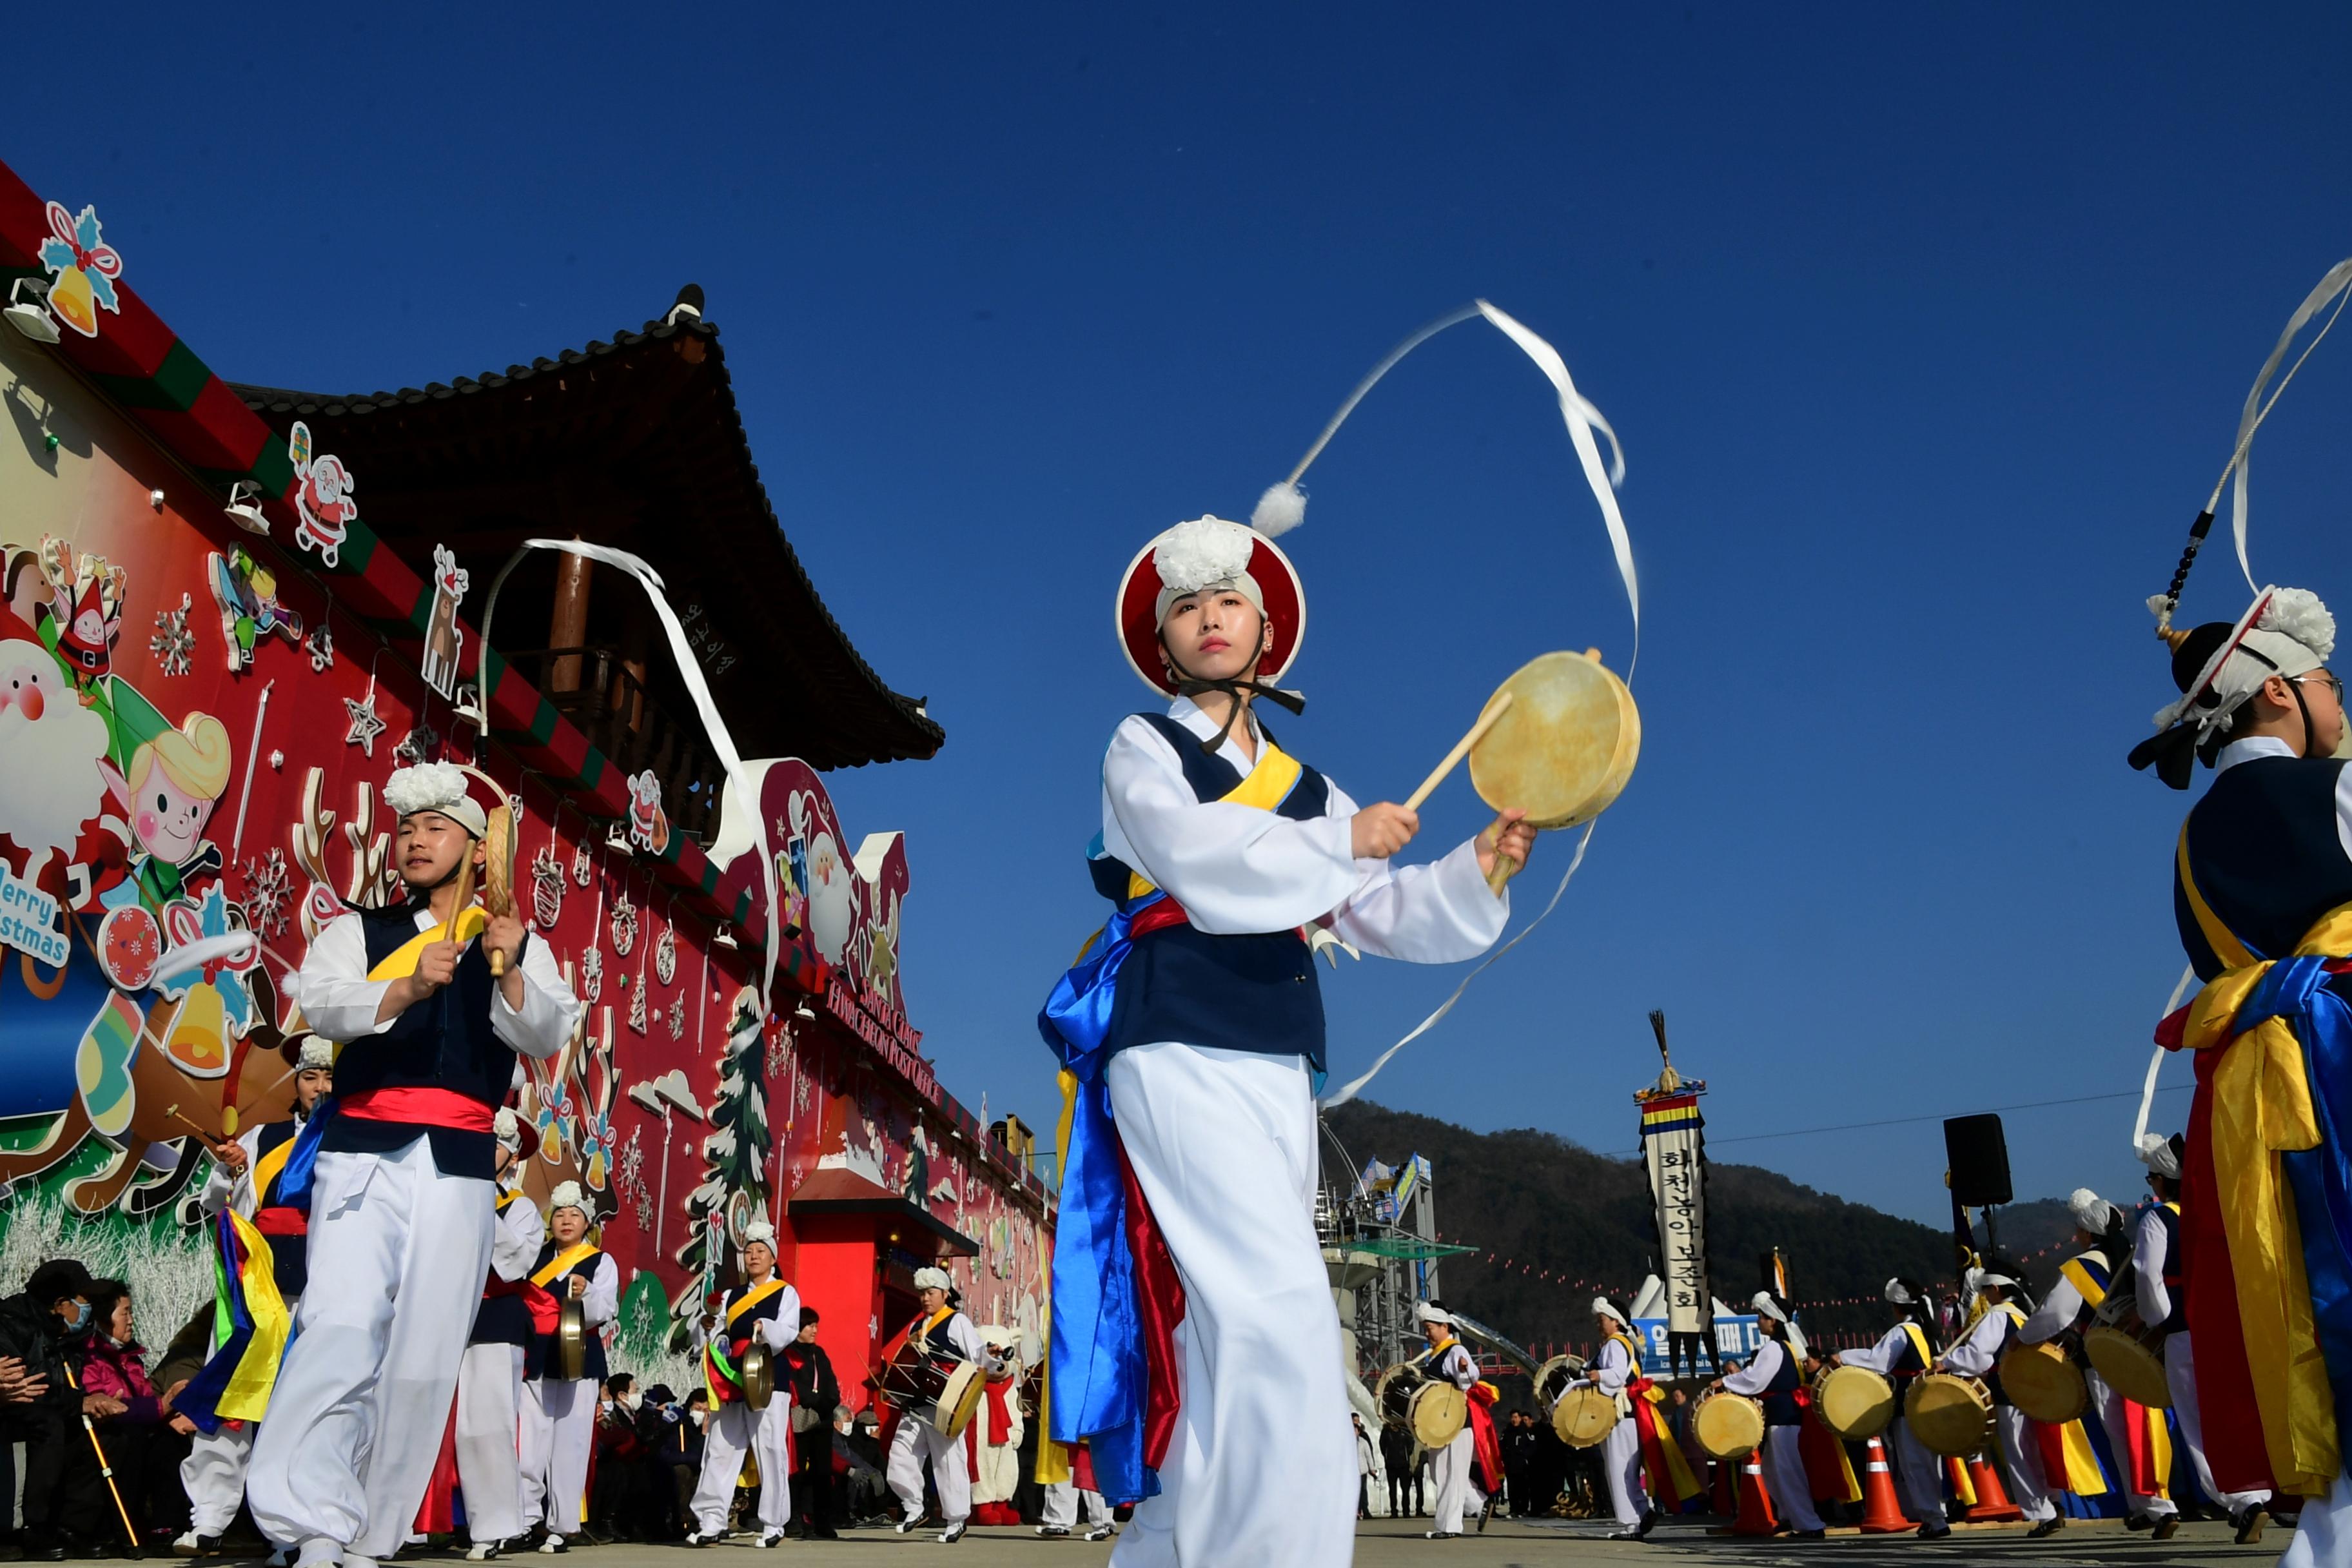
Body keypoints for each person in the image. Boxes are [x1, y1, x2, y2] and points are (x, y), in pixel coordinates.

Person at [1037, 511, 1529, 1568]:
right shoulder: (1144, 744)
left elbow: (1379, 908)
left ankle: (1170, 1545)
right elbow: (1195, 851)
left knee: (1218, 1328)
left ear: (1263, 633)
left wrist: (1476, 869)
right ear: (1160, 640)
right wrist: (1337, 842)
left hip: (1277, 1054)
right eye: (1187, 605)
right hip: (1172, 1033)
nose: (1208, 617)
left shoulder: (1308, 785)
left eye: (1228, 602)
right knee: (1276, 1309)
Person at [249, 761, 580, 1568]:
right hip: (363, 1153)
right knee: (342, 1323)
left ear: (475, 845)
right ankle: (310, 1519)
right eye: (406, 829)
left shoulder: (513, 941)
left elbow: (544, 1034)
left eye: (436, 828)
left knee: (427, 1351)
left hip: (462, 1167)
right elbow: (317, 999)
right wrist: (399, 988)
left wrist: (507, 967)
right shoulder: (362, 930)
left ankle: (373, 1531)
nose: (415, 841)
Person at [2133, 583, 2350, 1558]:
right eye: (2326, 683)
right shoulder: (2333, 792)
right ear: (2276, 696)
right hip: (2336, 1061)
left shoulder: (2190, 842)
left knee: (2307, 1305)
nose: (2340, 703)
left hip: (2255, 1096)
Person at [176, 1034, 333, 1557]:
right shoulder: (263, 1138)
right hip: (257, 1288)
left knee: (306, 1407)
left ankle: (293, 1528)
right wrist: (230, 1168)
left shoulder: (350, 1142)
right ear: (296, 1083)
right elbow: (220, 1204)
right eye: (311, 1077)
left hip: (323, 1287)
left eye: (330, 1077)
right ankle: (209, 1520)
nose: (320, 1087)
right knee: (233, 1398)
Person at [2129, 1130, 2270, 1542]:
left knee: (2196, 1420)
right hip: (2228, 1325)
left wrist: (2156, 1316)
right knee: (2235, 1411)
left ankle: (2244, 1502)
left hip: (2185, 1331)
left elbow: (2147, 1274)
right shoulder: (2217, 1207)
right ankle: (2260, 1489)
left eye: (2151, 1179)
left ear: (2160, 1180)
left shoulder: (2159, 1218)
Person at [2012, 1188, 2152, 1528]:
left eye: (2078, 1230)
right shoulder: (2129, 1255)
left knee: (2119, 1430)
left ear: (2088, 1234)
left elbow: (2055, 1314)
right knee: (2148, 1425)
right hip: (2142, 1349)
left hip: (2103, 1355)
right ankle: (2161, 1498)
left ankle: (2145, 1506)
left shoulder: (2083, 1266)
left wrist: (2022, 1339)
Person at [456, 1109, 545, 1561]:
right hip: (443, 1315)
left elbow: (517, 1262)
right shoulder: (448, 1191)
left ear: (510, 1159)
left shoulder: (520, 1207)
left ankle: (490, 1526)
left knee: (484, 1424)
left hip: (493, 1318)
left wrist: (479, 1200)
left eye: (492, 1145)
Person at [685, 1220, 799, 1547]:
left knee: (769, 1447)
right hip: (732, 1374)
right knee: (720, 1447)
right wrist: (706, 1327)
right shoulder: (732, 1295)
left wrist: (766, 1328)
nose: (753, 1256)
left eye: (760, 1251)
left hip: (766, 1373)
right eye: (749, 1251)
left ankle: (774, 1523)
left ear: (773, 1258)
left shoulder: (784, 1292)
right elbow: (715, 1331)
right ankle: (711, 1520)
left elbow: (788, 1331)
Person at [518, 1182, 618, 1553]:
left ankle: (561, 1524)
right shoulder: (534, 1257)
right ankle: (526, 1518)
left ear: (587, 1223)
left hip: (579, 1355)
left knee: (570, 1444)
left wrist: (586, 1292)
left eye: (574, 1215)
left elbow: (606, 1308)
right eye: (559, 1214)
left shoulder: (599, 1261)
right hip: (538, 1354)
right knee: (529, 1442)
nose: (566, 1221)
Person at [1936, 1270, 2061, 1538]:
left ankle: (2043, 1513)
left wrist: (1946, 1363)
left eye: (1985, 1291)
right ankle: (2053, 1501)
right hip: (2032, 1389)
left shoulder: (1997, 1315)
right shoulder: (2023, 1314)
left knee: (2019, 1452)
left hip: (2008, 1390)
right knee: (2035, 1449)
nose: (1983, 1297)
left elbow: (1978, 1357)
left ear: (1995, 1289)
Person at [0, 1260, 104, 1562]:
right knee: (48, 1425)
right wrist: (77, 1402)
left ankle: (75, 1528)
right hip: (20, 1412)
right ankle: (35, 1527)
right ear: (60, 1304)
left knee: (103, 1429)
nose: (89, 1312)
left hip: (54, 1406)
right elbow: (26, 1388)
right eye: (84, 1304)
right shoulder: (11, 1324)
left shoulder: (68, 1334)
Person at [1829, 1279, 1948, 1538]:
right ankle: (1937, 1514)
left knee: (1915, 1463)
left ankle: (1934, 1519)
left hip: (1908, 1403)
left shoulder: (1902, 1331)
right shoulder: (1926, 1332)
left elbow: (1879, 1361)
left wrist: (1844, 1357)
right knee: (1930, 1462)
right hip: (1929, 1401)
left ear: (1896, 1307)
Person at [886, 1267, 996, 1544]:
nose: (925, 1298)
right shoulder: (915, 1326)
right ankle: (914, 1507)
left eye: (931, 1293)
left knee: (948, 1460)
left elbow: (977, 1355)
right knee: (900, 1454)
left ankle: (956, 1519)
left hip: (946, 1400)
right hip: (916, 1400)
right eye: (922, 1293)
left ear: (945, 1294)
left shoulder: (957, 1321)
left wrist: (991, 1356)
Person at [71, 1280, 175, 1546]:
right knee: (132, 1438)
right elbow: (109, 1405)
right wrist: (162, 1406)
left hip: (137, 1429)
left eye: (131, 1313)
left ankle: (164, 1525)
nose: (130, 1321)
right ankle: (121, 1527)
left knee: (169, 1441)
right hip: (105, 1434)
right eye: (124, 1313)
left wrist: (168, 1412)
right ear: (106, 1318)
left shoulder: (130, 1356)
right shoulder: (91, 1356)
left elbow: (144, 1397)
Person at [1714, 1293, 1823, 1539]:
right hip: (1783, 1412)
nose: (1758, 1321)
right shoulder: (1785, 1346)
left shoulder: (1774, 1347)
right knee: (1773, 1470)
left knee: (1788, 1470)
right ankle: (1787, 1515)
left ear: (1773, 1321)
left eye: (1761, 1317)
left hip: (1783, 1414)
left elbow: (1755, 1379)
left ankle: (1809, 1524)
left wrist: (1726, 1381)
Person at [1416, 1304, 1489, 1540]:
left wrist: (1465, 1369)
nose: (1427, 1333)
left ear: (1444, 1326)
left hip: (1457, 1422)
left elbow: (1470, 1379)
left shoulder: (1455, 1351)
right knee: (1440, 1473)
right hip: (1440, 1424)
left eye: (1430, 1328)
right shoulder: (1436, 1353)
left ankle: (1449, 1526)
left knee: (1452, 1474)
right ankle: (1479, 1505)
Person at [782, 1311, 841, 1540]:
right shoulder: (788, 1353)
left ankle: (822, 1521)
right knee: (795, 1471)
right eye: (809, 1326)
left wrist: (829, 1402)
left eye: (816, 1326)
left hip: (823, 1420)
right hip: (799, 1420)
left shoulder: (820, 1354)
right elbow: (794, 1385)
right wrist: (812, 1400)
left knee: (823, 1473)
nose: (814, 1331)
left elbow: (830, 1383)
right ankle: (793, 1518)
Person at [1378, 1418, 1416, 1520]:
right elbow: (1382, 1446)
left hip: (1403, 1464)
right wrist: (1387, 1456)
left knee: (1405, 1490)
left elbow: (1411, 1443)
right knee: (1392, 1489)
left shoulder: (1404, 1431)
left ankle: (1406, 1511)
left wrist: (1406, 1454)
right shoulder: (1386, 1432)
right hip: (1391, 1465)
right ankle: (1394, 1511)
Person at [1353, 1413, 1377, 1521]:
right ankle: (1356, 1511)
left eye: (1356, 1430)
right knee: (1354, 1492)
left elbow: (1369, 1455)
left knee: (1363, 1490)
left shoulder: (1363, 1442)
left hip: (1362, 1470)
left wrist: (1372, 1468)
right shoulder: (1346, 1442)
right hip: (1352, 1472)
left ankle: (1365, 1510)